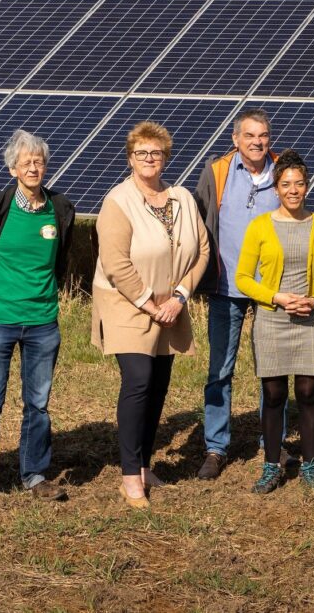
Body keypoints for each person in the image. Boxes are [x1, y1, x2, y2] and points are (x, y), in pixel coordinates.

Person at [92, 122, 209, 509]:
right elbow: (115, 262)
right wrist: (148, 303)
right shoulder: (118, 201)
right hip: (127, 305)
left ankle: (144, 464)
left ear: (165, 158)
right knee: (139, 381)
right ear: (130, 158)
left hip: (170, 307)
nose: (149, 159)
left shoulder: (182, 199)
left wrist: (179, 296)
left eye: (156, 153)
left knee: (158, 385)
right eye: (141, 153)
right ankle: (129, 477)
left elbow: (202, 250)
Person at [0, 130, 75, 503]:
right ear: (12, 169)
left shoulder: (60, 209)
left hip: (42, 320)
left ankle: (35, 474)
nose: (32, 167)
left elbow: (60, 261)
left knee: (38, 404)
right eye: (25, 162)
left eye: (38, 161)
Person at [235, 150, 314, 493]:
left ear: (307, 186)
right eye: (286, 184)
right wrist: (276, 297)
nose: (293, 190)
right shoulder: (260, 227)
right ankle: (272, 464)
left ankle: (310, 465)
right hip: (272, 320)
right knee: (273, 392)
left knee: (308, 392)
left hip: (311, 320)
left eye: (299, 183)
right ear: (276, 189)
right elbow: (243, 278)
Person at [193, 108, 286, 481]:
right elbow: (199, 225)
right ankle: (216, 447)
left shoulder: (284, 170)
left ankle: (272, 444)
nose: (257, 142)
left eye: (263, 135)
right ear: (235, 139)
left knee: (272, 370)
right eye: (249, 136)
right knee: (220, 370)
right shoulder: (216, 172)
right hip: (226, 286)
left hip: (271, 290)